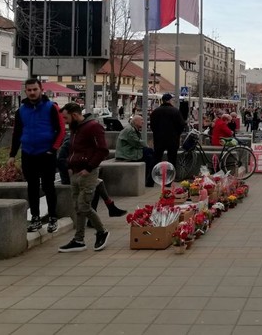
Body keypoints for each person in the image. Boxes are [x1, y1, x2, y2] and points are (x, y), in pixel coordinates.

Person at [8, 78, 66, 234]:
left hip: (46, 153)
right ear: (25, 91)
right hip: (28, 153)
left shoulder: (51, 107)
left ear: (41, 89)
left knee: (48, 186)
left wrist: (53, 149)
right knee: (32, 187)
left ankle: (53, 217)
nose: (32, 92)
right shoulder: (20, 111)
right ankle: (35, 218)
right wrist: (12, 154)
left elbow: (61, 130)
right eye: (29, 90)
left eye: (35, 89)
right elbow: (16, 133)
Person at [58, 103, 110, 252]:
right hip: (75, 171)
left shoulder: (93, 127)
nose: (65, 121)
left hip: (87, 172)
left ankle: (102, 232)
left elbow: (102, 150)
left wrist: (89, 168)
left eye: (66, 118)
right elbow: (72, 149)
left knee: (83, 206)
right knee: (78, 207)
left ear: (74, 115)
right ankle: (79, 239)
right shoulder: (76, 128)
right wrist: (69, 166)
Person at [116, 115, 157, 187]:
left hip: (129, 151)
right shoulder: (130, 130)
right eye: (141, 120)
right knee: (149, 156)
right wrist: (146, 145)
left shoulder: (133, 129)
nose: (143, 122)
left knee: (150, 153)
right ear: (135, 121)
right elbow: (136, 143)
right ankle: (147, 179)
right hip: (126, 153)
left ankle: (148, 179)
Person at [150, 93, 186, 167]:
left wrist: (157, 133)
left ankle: (154, 175)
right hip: (172, 139)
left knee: (157, 158)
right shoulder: (175, 111)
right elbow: (181, 125)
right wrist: (177, 134)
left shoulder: (155, 112)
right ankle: (171, 175)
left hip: (159, 139)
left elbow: (152, 125)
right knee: (172, 159)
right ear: (170, 100)